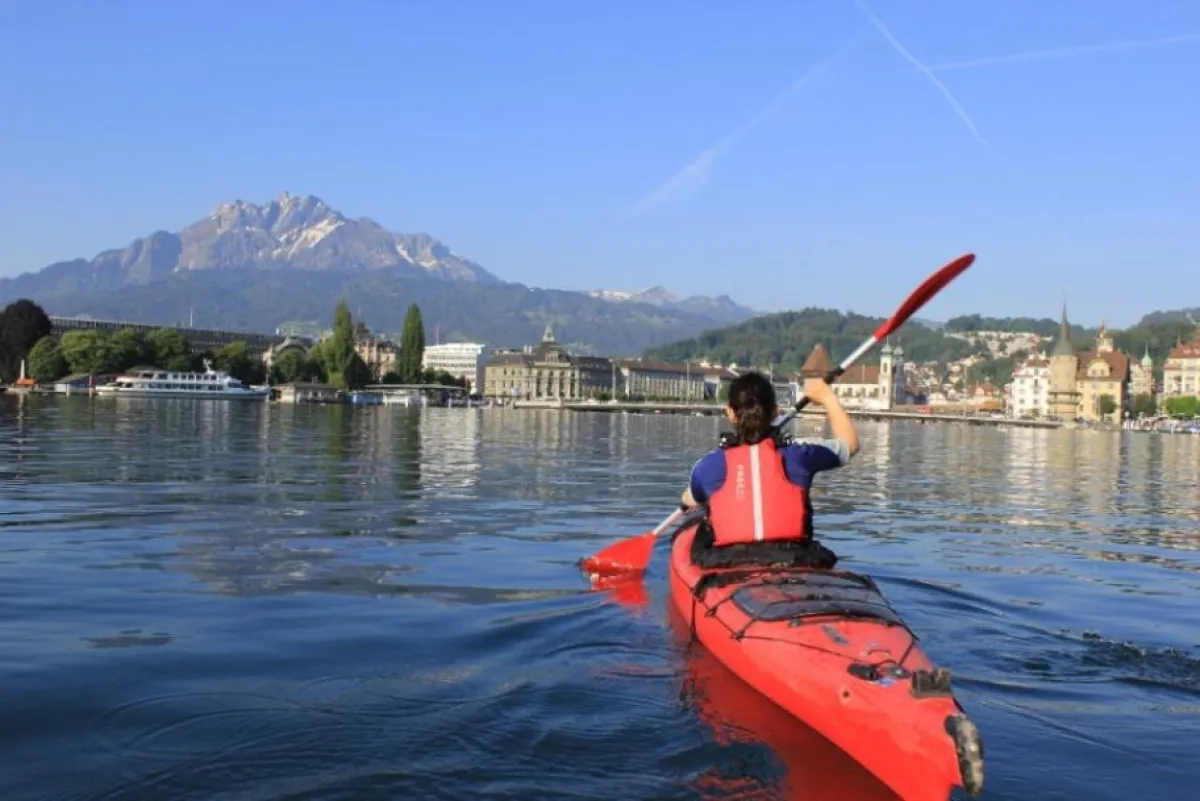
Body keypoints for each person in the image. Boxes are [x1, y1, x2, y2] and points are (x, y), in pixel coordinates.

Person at [680, 371, 860, 568]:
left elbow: (690, 500)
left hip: (729, 561)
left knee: (701, 523)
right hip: (796, 558)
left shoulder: (706, 466)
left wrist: (688, 499)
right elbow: (850, 444)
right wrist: (828, 398)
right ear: (775, 411)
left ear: (730, 413)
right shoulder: (801, 455)